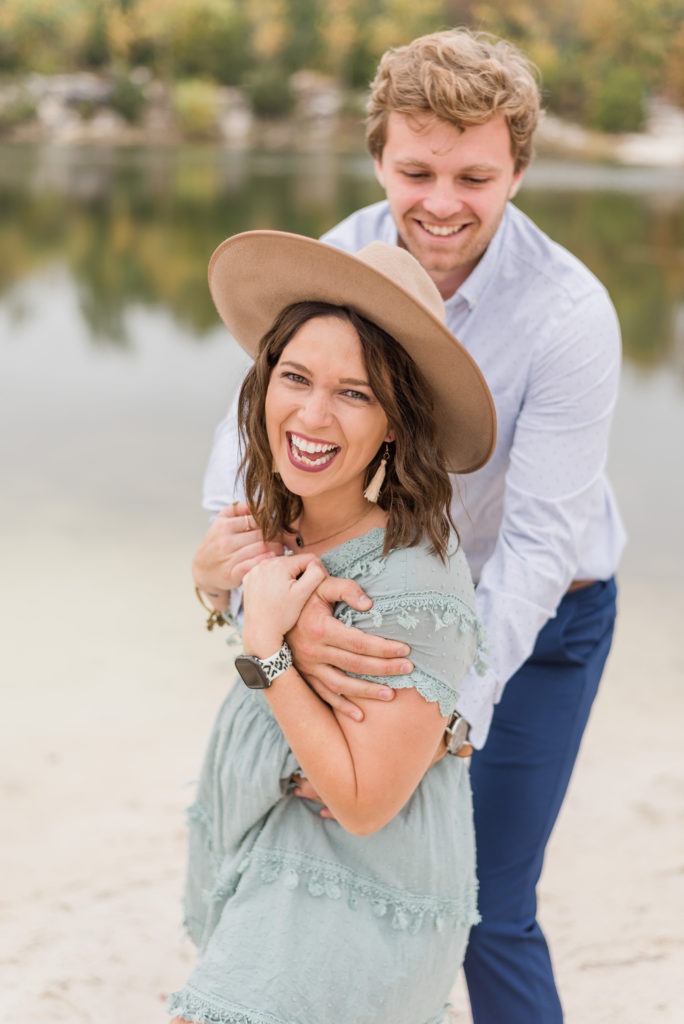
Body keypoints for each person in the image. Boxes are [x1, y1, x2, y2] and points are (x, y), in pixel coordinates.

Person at [193, 28, 626, 1024]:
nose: (440, 202)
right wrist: (274, 603)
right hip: (365, 614)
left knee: (484, 910)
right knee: (314, 879)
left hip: (542, 625)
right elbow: (249, 450)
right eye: (415, 168)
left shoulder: (569, 315)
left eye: (474, 175)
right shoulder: (338, 262)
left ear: (518, 167)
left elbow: (536, 546)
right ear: (380, 155)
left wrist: (450, 714)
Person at [169, 230, 496, 1024]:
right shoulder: (274, 520)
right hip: (268, 846)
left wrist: (268, 652)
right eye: (296, 377)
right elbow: (249, 617)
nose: (313, 413)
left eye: (354, 392)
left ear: (393, 423)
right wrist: (211, 585)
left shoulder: (414, 579)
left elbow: (361, 802)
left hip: (354, 884)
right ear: (263, 383)